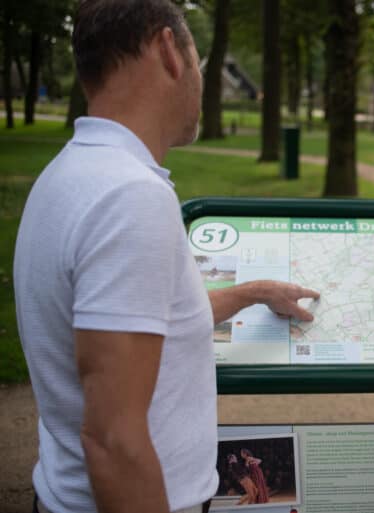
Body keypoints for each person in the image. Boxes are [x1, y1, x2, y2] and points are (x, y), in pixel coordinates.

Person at [13, 1, 319, 512]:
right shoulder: (130, 197)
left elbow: (142, 318)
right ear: (168, 50)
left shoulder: (68, 175)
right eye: (198, 61)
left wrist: (254, 293)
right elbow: (113, 440)